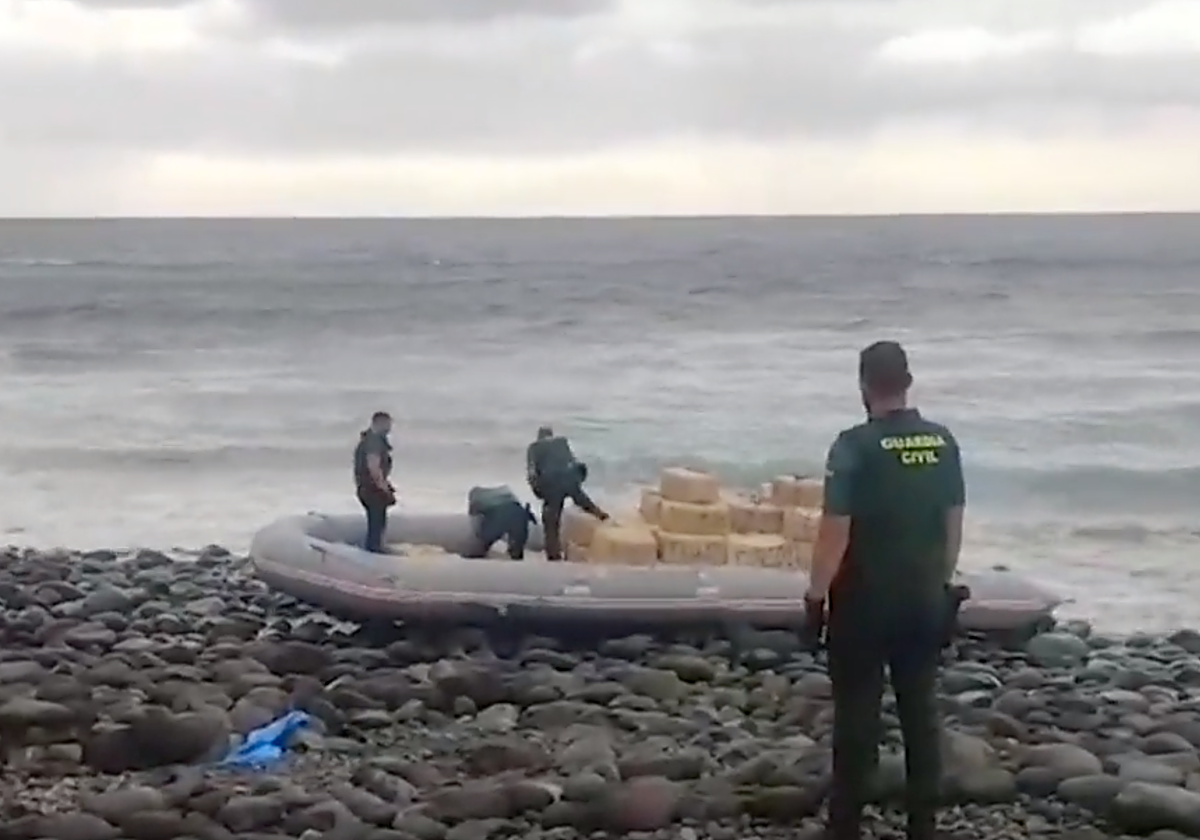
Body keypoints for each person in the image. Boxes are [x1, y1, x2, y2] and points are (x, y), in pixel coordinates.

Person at [803, 341, 966, 840]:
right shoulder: (942, 442)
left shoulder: (853, 446)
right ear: (908, 381)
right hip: (922, 597)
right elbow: (953, 523)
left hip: (863, 602)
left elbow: (835, 531)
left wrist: (815, 598)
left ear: (863, 385)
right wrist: (940, 582)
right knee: (920, 711)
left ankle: (846, 826)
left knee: (858, 716)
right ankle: (923, 824)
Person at [525, 425, 609, 560]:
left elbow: (532, 473)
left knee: (550, 521)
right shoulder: (562, 443)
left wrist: (539, 492)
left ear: (539, 437)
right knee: (584, 502)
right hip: (570, 478)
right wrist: (577, 482)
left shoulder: (534, 448)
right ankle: (602, 517)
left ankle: (554, 556)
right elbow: (576, 463)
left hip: (551, 484)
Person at [353, 411, 396, 554]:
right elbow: (374, 466)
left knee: (377, 521)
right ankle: (375, 550)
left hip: (366, 487)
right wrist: (384, 487)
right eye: (388, 424)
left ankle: (375, 547)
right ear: (380, 423)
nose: (390, 427)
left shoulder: (369, 440)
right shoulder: (374, 441)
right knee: (377, 522)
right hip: (371, 489)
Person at [464, 484, 537, 560]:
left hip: (500, 516)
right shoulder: (508, 499)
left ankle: (477, 554)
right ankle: (516, 554)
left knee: (485, 538)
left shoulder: (478, 498)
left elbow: (474, 517)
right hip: (517, 514)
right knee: (517, 541)